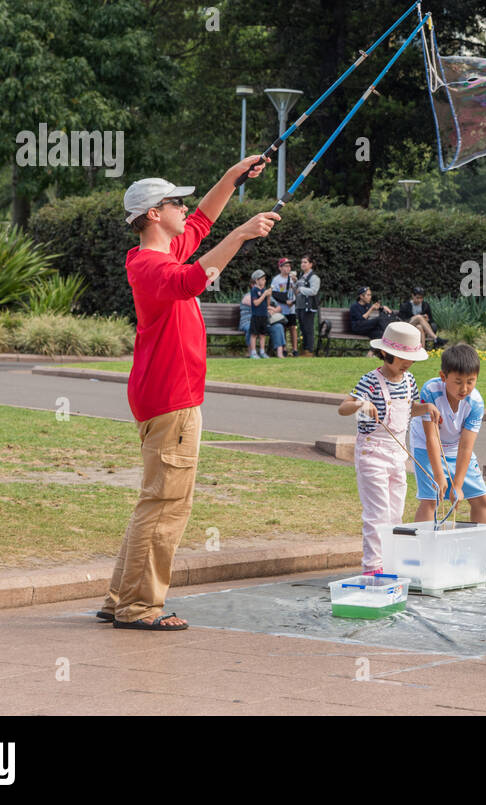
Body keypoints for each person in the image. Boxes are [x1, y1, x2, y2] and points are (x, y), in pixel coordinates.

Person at [98, 156, 279, 630]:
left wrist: (235, 175)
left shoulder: (165, 250)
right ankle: (139, 608)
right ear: (154, 214)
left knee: (155, 501)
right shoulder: (150, 266)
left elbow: (203, 219)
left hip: (166, 397)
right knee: (166, 506)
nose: (184, 208)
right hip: (171, 400)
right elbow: (193, 281)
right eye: (175, 202)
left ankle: (119, 598)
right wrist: (242, 235)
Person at [337, 322, 439, 574]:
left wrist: (426, 408)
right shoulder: (370, 381)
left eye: (411, 359)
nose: (407, 364)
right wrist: (361, 404)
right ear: (386, 353)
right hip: (372, 453)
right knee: (378, 513)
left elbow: (410, 409)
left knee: (395, 513)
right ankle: (373, 567)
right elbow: (343, 407)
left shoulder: (409, 381)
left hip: (397, 454)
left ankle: (390, 562)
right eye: (403, 358)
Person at [409, 343, 486, 574]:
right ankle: (420, 556)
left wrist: (457, 485)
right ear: (443, 377)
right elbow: (432, 438)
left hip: (456, 447)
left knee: (481, 498)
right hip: (426, 446)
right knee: (431, 500)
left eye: (470, 381)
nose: (464, 388)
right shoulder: (430, 391)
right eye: (458, 382)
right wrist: (440, 475)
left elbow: (466, 446)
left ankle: (482, 554)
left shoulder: (475, 402)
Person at [294, 254, 320, 356]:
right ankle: (304, 350)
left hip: (308, 307)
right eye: (302, 262)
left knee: (308, 329)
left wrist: (301, 289)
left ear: (311, 264)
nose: (303, 264)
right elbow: (296, 291)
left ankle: (309, 351)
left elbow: (314, 291)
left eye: (305, 262)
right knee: (302, 329)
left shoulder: (314, 277)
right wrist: (295, 283)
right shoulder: (301, 276)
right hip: (300, 306)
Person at [271, 258, 298, 354]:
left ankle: (295, 349)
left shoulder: (293, 279)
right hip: (281, 308)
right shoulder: (276, 279)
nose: (288, 268)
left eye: (289, 266)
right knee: (283, 327)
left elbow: (298, 292)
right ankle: (284, 348)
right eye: (286, 266)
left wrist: (296, 283)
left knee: (293, 327)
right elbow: (274, 294)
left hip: (291, 308)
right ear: (280, 268)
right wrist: (285, 301)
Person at [247, 270, 273, 358]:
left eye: (264, 279)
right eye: (262, 279)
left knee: (263, 334)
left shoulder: (264, 290)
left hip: (264, 315)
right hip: (256, 316)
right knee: (254, 334)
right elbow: (256, 303)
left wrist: (269, 296)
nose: (264, 281)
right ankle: (253, 352)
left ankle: (262, 351)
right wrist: (264, 294)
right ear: (256, 280)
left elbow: (268, 305)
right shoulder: (254, 290)